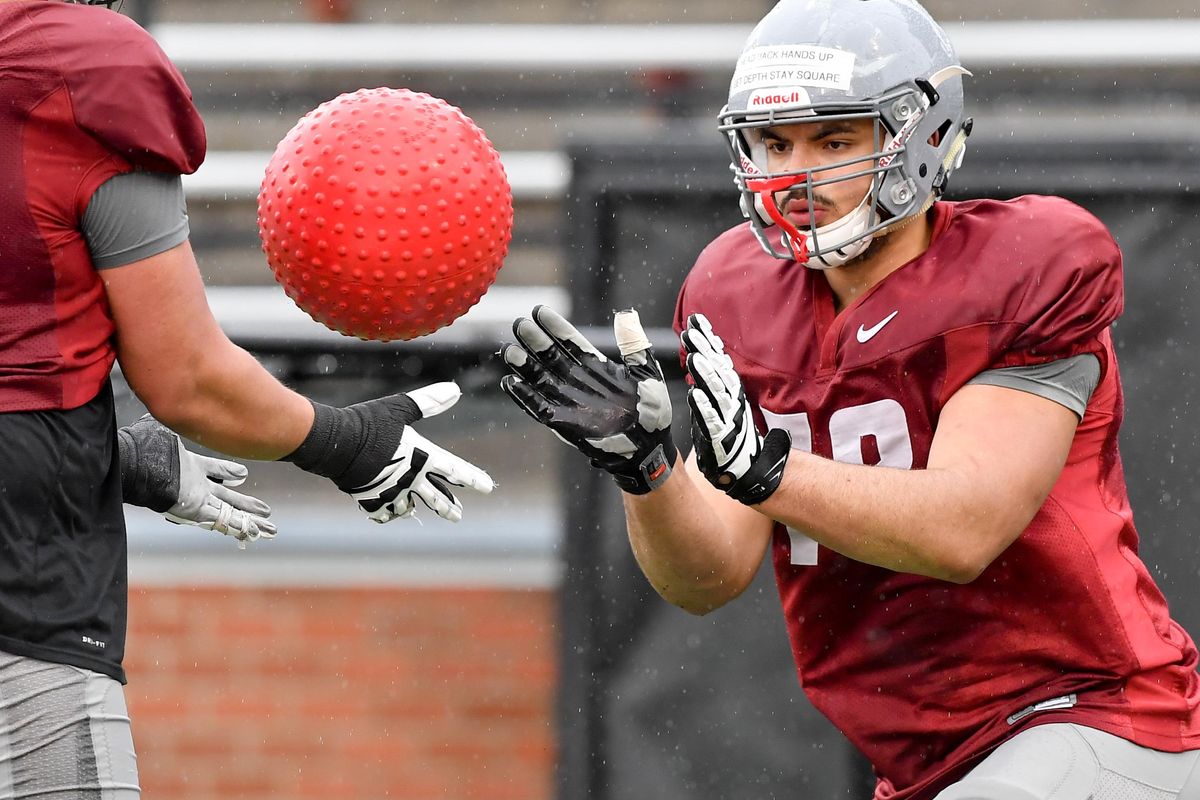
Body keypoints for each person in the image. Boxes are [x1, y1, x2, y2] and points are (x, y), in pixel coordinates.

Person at [498, 0, 1200, 797]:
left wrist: (767, 472)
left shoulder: (1024, 268)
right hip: (920, 762)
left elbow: (962, 529)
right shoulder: (734, 296)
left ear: (922, 134)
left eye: (834, 140)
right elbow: (706, 579)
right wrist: (648, 472)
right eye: (775, 143)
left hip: (1089, 717)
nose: (799, 172)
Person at [0, 0, 494, 795]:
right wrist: (346, 443)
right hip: (24, 585)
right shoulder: (74, 67)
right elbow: (186, 380)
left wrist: (107, 456)